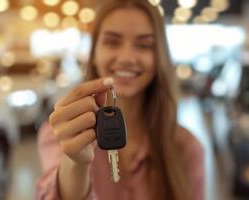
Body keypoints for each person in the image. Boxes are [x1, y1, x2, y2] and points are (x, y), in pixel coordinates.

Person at [36, 0, 204, 199]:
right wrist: (75, 163)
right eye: (112, 42)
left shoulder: (187, 147)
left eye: (144, 45)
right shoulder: (63, 133)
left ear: (159, 56)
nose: (127, 57)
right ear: (94, 52)